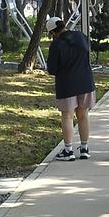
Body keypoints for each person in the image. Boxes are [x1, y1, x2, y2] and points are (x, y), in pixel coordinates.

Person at [45, 17, 95, 161]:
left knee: (67, 116)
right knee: (83, 115)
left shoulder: (56, 45)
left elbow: (52, 69)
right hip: (85, 81)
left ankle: (68, 150)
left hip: (66, 84)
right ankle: (84, 149)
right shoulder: (81, 36)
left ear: (53, 32)